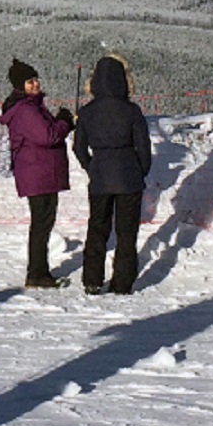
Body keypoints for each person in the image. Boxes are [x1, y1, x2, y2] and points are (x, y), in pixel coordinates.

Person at [72, 55, 152, 295]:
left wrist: (91, 166)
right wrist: (139, 171)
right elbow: (144, 148)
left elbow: (78, 148)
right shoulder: (132, 111)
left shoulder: (87, 112)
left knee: (97, 229)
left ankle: (92, 279)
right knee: (126, 233)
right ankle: (122, 283)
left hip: (100, 177)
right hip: (129, 177)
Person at [0, 60, 74, 289]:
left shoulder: (31, 106)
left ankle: (40, 272)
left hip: (41, 173)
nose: (35, 84)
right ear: (20, 86)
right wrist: (64, 122)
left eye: (36, 79)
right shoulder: (26, 110)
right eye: (30, 81)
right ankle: (37, 274)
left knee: (43, 224)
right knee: (41, 225)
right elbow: (48, 136)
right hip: (38, 173)